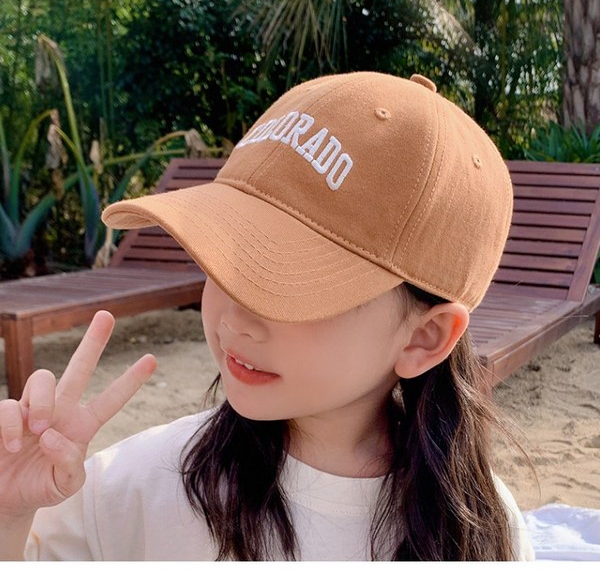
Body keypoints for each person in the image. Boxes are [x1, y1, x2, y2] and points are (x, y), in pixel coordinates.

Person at [0, 72, 534, 561]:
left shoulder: (482, 531)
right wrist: (8, 514)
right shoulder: (128, 492)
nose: (234, 319)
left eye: (288, 284)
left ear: (425, 338)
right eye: (225, 260)